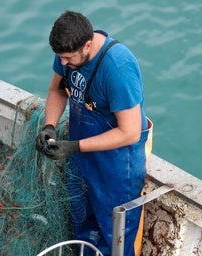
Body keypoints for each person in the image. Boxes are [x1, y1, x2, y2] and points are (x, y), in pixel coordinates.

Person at [36, 10, 152, 256]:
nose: (63, 63)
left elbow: (130, 132)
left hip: (118, 165)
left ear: (88, 44)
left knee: (115, 236)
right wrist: (50, 125)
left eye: (67, 58)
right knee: (81, 217)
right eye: (60, 57)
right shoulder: (68, 51)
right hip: (81, 151)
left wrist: (73, 147)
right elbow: (57, 90)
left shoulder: (118, 67)